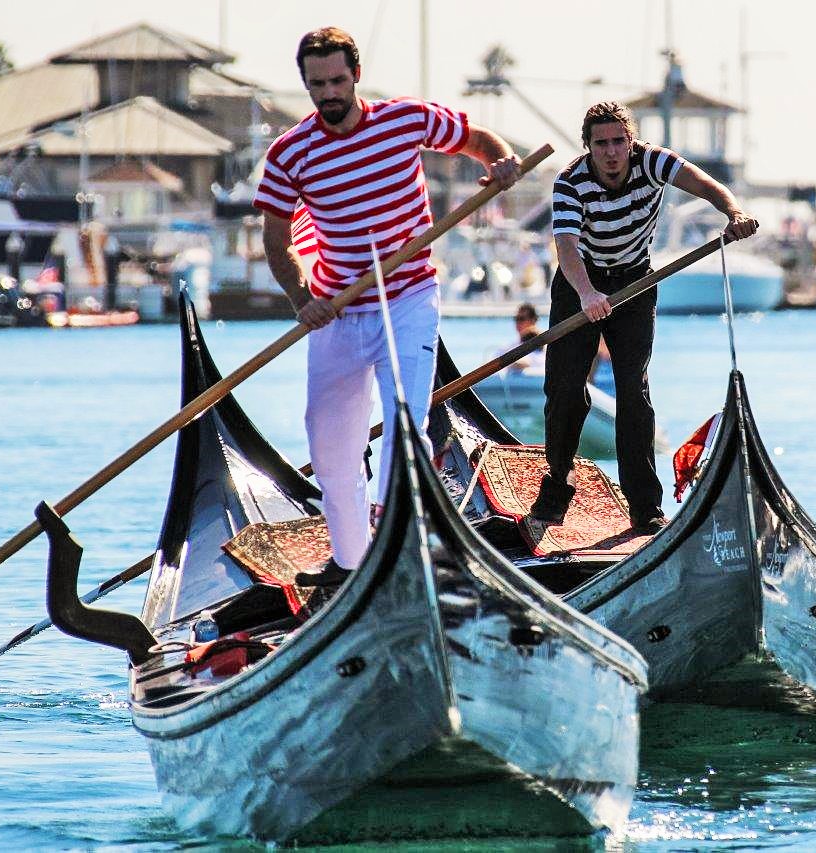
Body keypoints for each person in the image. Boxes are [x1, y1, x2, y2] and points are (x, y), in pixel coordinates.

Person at [254, 26, 520, 590]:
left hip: (408, 298)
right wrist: (305, 301)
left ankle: (394, 531)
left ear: (355, 77)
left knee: (407, 424)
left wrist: (502, 164)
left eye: (337, 80)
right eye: (316, 84)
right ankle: (351, 562)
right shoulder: (288, 154)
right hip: (338, 309)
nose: (328, 93)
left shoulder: (405, 119)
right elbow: (276, 243)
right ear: (306, 84)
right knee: (330, 445)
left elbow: (479, 140)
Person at [528, 101, 758, 533]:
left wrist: (735, 213)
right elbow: (566, 248)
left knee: (634, 392)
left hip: (635, 281)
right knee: (563, 390)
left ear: (631, 143)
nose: (612, 152)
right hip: (581, 281)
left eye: (619, 142)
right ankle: (557, 487)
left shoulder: (653, 161)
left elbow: (705, 185)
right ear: (588, 148)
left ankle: (645, 507)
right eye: (602, 145)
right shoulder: (570, 183)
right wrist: (587, 294)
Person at [503, 302, 545, 374]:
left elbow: (524, 362)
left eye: (521, 319)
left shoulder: (545, 344)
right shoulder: (509, 346)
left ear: (533, 320)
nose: (517, 322)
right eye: (516, 318)